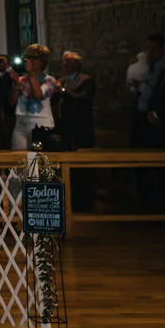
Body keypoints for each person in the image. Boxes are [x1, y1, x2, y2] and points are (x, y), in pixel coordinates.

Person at [53, 50, 96, 209]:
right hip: (65, 128)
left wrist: (63, 92)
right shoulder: (62, 81)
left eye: (68, 62)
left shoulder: (86, 80)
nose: (64, 65)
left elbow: (83, 99)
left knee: (83, 169)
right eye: (63, 62)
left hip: (81, 128)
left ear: (76, 64)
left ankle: (85, 202)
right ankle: (71, 200)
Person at [11, 43, 58, 150]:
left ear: (41, 60)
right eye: (27, 58)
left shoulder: (49, 80)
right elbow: (12, 102)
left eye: (32, 58)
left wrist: (31, 73)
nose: (28, 61)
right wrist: (15, 85)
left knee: (38, 161)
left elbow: (38, 95)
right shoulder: (22, 80)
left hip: (41, 124)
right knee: (20, 161)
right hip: (21, 124)